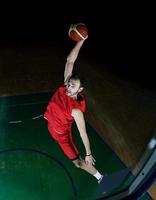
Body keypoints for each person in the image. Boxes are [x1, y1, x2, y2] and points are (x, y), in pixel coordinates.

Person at [44, 32, 104, 183]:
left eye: (73, 86)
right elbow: (70, 61)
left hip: (62, 136)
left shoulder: (76, 111)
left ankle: (100, 177)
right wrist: (82, 40)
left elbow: (83, 134)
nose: (69, 88)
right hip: (51, 127)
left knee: (78, 163)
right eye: (69, 84)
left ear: (80, 90)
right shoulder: (65, 87)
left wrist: (88, 153)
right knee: (69, 68)